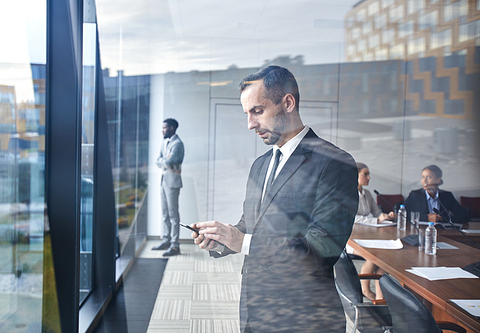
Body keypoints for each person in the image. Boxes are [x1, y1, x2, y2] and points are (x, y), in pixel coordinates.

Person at [190, 66, 359, 332]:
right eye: (247, 114)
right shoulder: (260, 165)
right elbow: (251, 226)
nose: (250, 124)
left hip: (304, 318)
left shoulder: (335, 163)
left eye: (258, 111)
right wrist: (222, 238)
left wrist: (242, 241)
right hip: (254, 310)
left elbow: (321, 250)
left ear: (288, 103)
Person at [352, 162, 395, 300]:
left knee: (383, 258)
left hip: (366, 236)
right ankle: (366, 291)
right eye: (365, 174)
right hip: (349, 239)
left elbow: (377, 213)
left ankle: (380, 298)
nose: (369, 177)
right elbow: (354, 218)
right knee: (374, 255)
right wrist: (377, 220)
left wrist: (387, 216)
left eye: (369, 174)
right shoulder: (346, 194)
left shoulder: (368, 194)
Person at [152, 118, 185, 256]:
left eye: (165, 127)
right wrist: (163, 161)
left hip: (172, 183)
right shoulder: (165, 142)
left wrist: (163, 161)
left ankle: (175, 245)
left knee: (173, 214)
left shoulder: (177, 144)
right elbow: (158, 160)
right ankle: (166, 240)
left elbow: (170, 161)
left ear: (172, 128)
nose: (162, 130)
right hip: (164, 181)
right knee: (165, 213)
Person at [404, 165, 469, 223]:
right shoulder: (415, 195)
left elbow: (464, 217)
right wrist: (426, 218)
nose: (424, 181)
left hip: (442, 231)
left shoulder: (447, 196)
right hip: (422, 231)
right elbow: (404, 215)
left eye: (429, 177)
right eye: (423, 177)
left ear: (438, 180)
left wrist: (441, 218)